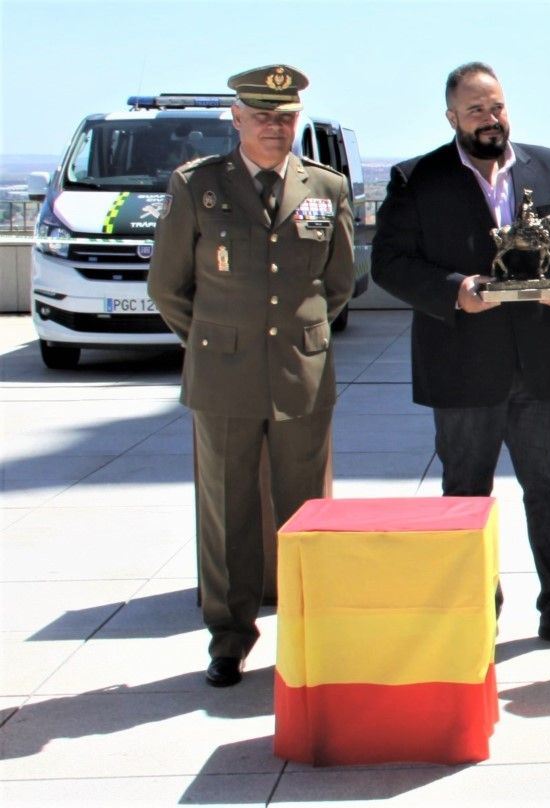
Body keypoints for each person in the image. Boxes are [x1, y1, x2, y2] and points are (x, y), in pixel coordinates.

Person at [371, 63, 550, 654]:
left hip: (540, 365)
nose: (489, 119)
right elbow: (389, 263)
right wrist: (454, 290)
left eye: (496, 106)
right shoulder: (417, 178)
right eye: (475, 110)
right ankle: (473, 611)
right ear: (451, 116)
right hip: (462, 366)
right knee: (465, 496)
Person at [148, 64, 355, 688]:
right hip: (224, 375)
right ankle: (230, 637)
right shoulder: (198, 186)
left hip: (301, 372)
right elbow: (168, 286)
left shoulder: (327, 187)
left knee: (307, 512)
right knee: (228, 509)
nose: (274, 127)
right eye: (261, 115)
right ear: (236, 119)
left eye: (285, 117)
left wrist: (296, 335)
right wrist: (217, 339)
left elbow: (338, 283)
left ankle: (308, 630)